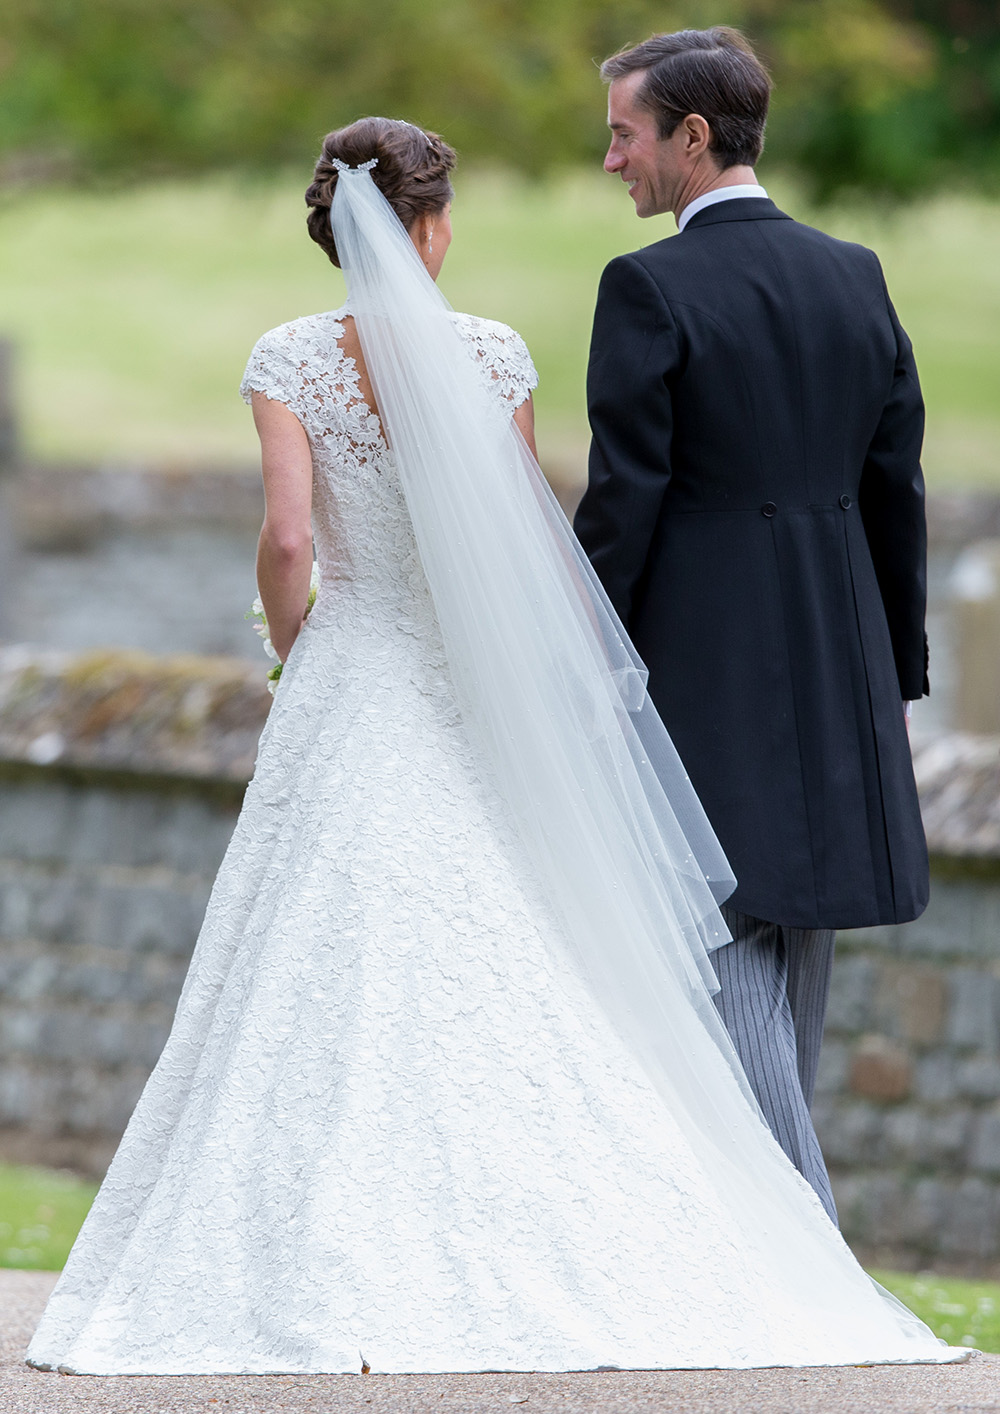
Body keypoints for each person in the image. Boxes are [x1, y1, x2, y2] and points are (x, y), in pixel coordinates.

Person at [26, 118, 954, 1377]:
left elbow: (290, 541)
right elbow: (526, 539)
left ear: (332, 229)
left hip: (354, 678)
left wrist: (296, 642)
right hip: (470, 688)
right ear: (434, 224)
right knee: (520, 957)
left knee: (313, 949)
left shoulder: (289, 356)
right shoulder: (492, 353)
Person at [574, 28, 930, 1226]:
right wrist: (895, 663)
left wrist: (576, 653)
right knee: (792, 950)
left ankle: (797, 1250)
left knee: (717, 951)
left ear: (690, 136)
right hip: (840, 659)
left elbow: (626, 500)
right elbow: (897, 485)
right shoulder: (854, 271)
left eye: (624, 134)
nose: (610, 158)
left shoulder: (649, 287)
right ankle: (764, 1246)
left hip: (701, 671)